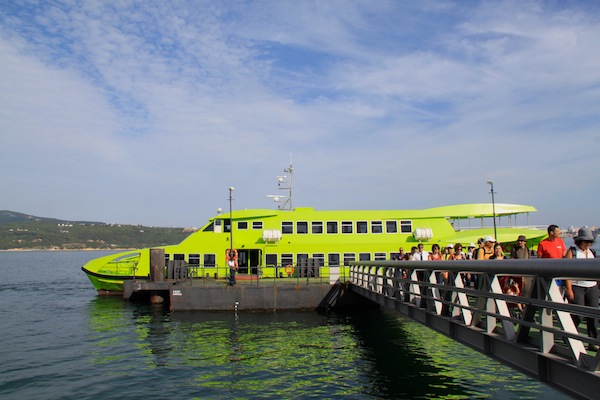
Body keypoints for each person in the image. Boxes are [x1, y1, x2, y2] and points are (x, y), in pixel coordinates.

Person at [564, 227, 598, 351]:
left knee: (593, 314)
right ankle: (569, 335)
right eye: (586, 241)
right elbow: (566, 271)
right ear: (580, 241)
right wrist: (569, 289)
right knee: (578, 314)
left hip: (592, 286)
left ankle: (593, 341)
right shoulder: (572, 252)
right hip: (577, 286)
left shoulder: (592, 252)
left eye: (590, 241)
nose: (588, 244)